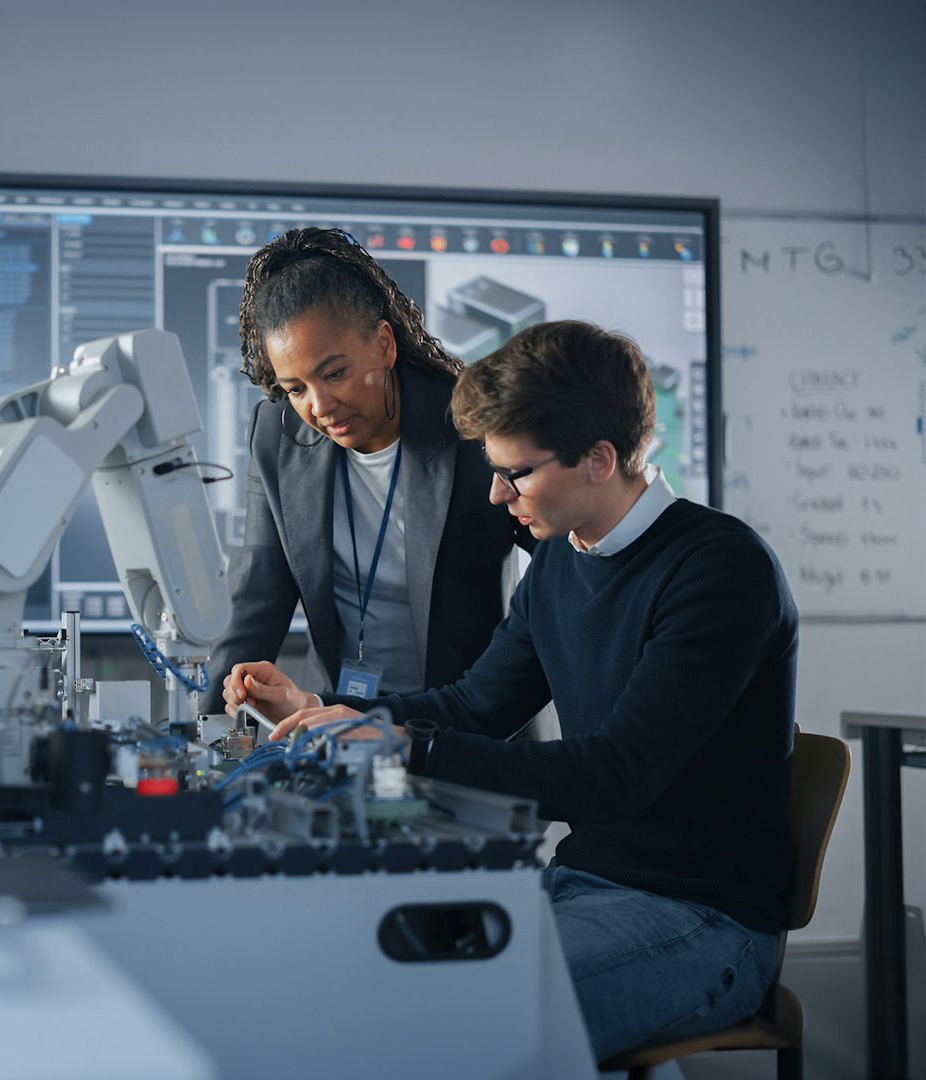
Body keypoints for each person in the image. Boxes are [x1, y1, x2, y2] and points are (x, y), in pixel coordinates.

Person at [233, 320, 797, 1062]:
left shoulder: (719, 571)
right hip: (576, 888)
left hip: (700, 918)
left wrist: (412, 747)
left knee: (449, 1021)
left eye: (518, 473)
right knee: (349, 974)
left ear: (599, 459)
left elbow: (613, 777)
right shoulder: (563, 563)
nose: (497, 495)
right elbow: (474, 703)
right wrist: (328, 715)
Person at [212, 227, 531, 714]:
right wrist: (209, 722)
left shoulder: (471, 425)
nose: (319, 406)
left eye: (334, 373)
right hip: (334, 713)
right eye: (295, 388)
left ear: (384, 344)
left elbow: (561, 570)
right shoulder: (276, 435)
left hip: (466, 720)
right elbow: (258, 592)